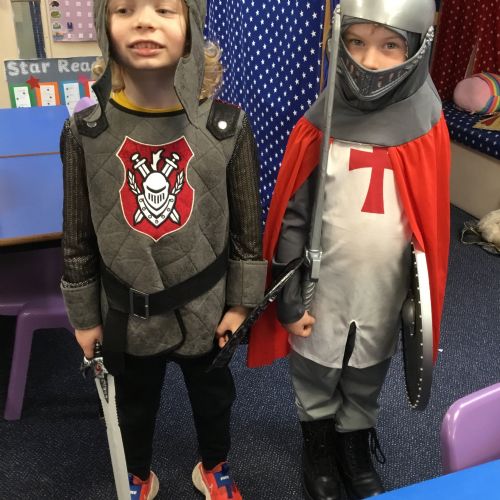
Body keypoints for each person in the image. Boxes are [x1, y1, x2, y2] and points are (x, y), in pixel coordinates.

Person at [59, 1, 267, 499]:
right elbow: (77, 236)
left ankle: (213, 465)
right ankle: (137, 472)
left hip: (207, 307)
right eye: (125, 8)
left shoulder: (227, 127)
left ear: (190, 27)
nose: (144, 20)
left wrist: (241, 304)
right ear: (105, 26)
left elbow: (247, 230)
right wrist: (85, 318)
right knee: (133, 404)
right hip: (125, 310)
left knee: (214, 399)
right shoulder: (85, 131)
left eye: (164, 9)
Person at [248, 0, 451, 499]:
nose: (369, 60)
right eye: (356, 42)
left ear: (417, 48)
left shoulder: (427, 126)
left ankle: (354, 445)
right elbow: (294, 218)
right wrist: (289, 299)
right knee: (316, 370)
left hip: (384, 290)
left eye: (389, 45)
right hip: (324, 288)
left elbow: (429, 226)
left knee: (367, 372)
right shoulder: (321, 123)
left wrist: (417, 305)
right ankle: (318, 448)